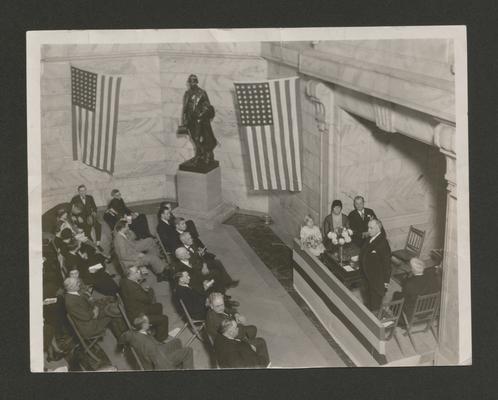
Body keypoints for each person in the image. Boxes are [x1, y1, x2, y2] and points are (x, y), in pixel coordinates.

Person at [119, 314, 194, 370]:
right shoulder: (149, 345)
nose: (150, 323)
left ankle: (180, 365)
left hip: (155, 352)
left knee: (177, 341)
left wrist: (123, 348)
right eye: (148, 322)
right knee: (188, 351)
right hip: (159, 360)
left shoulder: (130, 333)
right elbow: (162, 366)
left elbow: (122, 338)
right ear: (144, 326)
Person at [120, 266, 170, 342]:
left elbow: (137, 294)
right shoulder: (133, 288)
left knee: (158, 306)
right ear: (131, 275)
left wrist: (140, 287)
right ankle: (161, 339)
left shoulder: (124, 281)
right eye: (137, 271)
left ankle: (157, 328)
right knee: (164, 319)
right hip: (138, 316)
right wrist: (149, 290)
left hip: (134, 309)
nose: (139, 272)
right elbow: (148, 299)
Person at [179, 74, 217, 166]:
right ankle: (201, 154)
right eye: (190, 82)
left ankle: (204, 154)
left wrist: (201, 114)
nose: (191, 83)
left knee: (197, 138)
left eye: (193, 81)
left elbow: (208, 105)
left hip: (200, 120)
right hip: (190, 119)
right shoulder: (187, 93)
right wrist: (184, 120)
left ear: (196, 82)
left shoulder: (202, 92)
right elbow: (185, 107)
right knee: (193, 138)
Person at [359, 219, 392, 313]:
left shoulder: (383, 244)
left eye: (371, 228)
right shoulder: (370, 237)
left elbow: (387, 265)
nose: (368, 230)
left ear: (378, 229)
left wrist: (385, 282)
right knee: (368, 301)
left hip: (377, 281)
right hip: (368, 277)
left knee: (375, 306)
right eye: (368, 227)